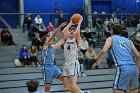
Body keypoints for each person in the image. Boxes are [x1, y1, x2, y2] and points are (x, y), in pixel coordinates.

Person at [92, 24, 140, 93]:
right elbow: (138, 56)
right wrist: (138, 70)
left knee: (116, 90)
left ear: (112, 31)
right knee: (134, 91)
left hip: (122, 68)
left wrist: (97, 63)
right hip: (133, 68)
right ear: (121, 32)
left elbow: (103, 51)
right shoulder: (128, 41)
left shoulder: (111, 38)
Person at [61, 15, 86, 93]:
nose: (72, 31)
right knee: (67, 86)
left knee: (72, 85)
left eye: (73, 30)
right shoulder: (66, 39)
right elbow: (63, 32)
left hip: (73, 63)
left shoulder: (77, 40)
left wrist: (79, 22)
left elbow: (78, 33)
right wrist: (71, 23)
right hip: (66, 63)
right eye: (70, 30)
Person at [42, 22, 66, 92]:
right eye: (47, 38)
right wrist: (59, 27)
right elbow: (54, 35)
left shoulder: (53, 47)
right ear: (45, 41)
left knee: (65, 80)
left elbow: (62, 41)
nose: (49, 39)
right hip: (47, 68)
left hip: (53, 66)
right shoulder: (45, 46)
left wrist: (65, 32)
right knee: (47, 88)